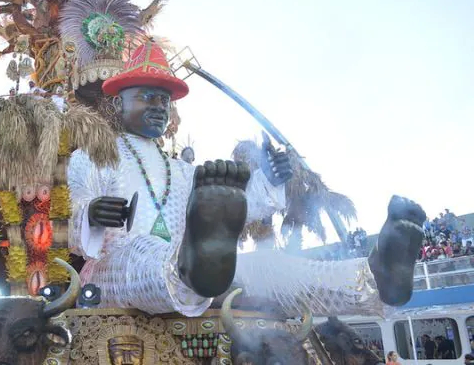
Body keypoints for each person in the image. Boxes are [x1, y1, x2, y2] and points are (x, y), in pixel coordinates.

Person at [68, 41, 425, 317]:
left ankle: (372, 280)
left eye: (165, 101)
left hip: (197, 265)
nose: (161, 107)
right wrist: (93, 213)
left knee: (267, 267)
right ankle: (194, 267)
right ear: (118, 104)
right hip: (115, 274)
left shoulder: (184, 172)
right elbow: (77, 223)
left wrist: (266, 180)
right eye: (149, 97)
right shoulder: (94, 157)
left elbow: (244, 209)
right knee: (141, 254)